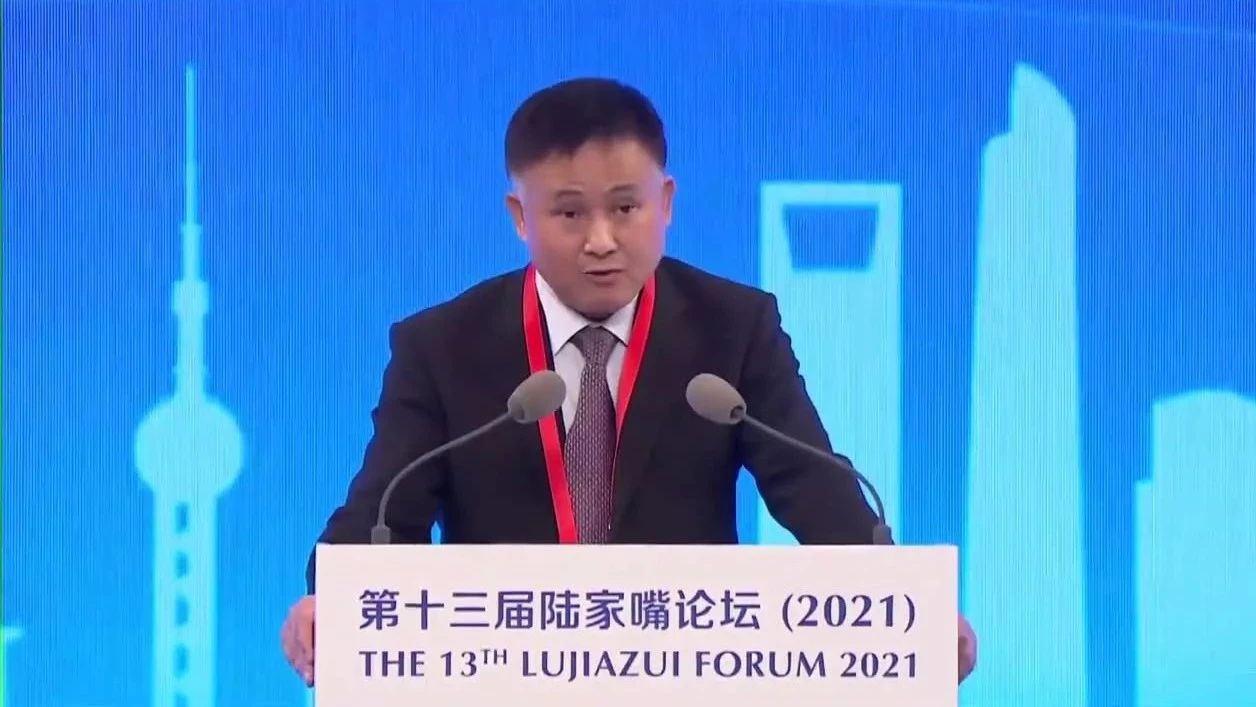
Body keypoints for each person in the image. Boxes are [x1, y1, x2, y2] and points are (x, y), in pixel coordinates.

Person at [280, 76, 977, 685]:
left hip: (683, 673)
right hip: (506, 675)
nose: (602, 240)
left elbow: (815, 489)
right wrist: (331, 599)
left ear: (665, 202)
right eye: (569, 213)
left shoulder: (733, 327)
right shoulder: (443, 344)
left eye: (624, 208)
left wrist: (906, 607)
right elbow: (385, 507)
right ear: (520, 217)